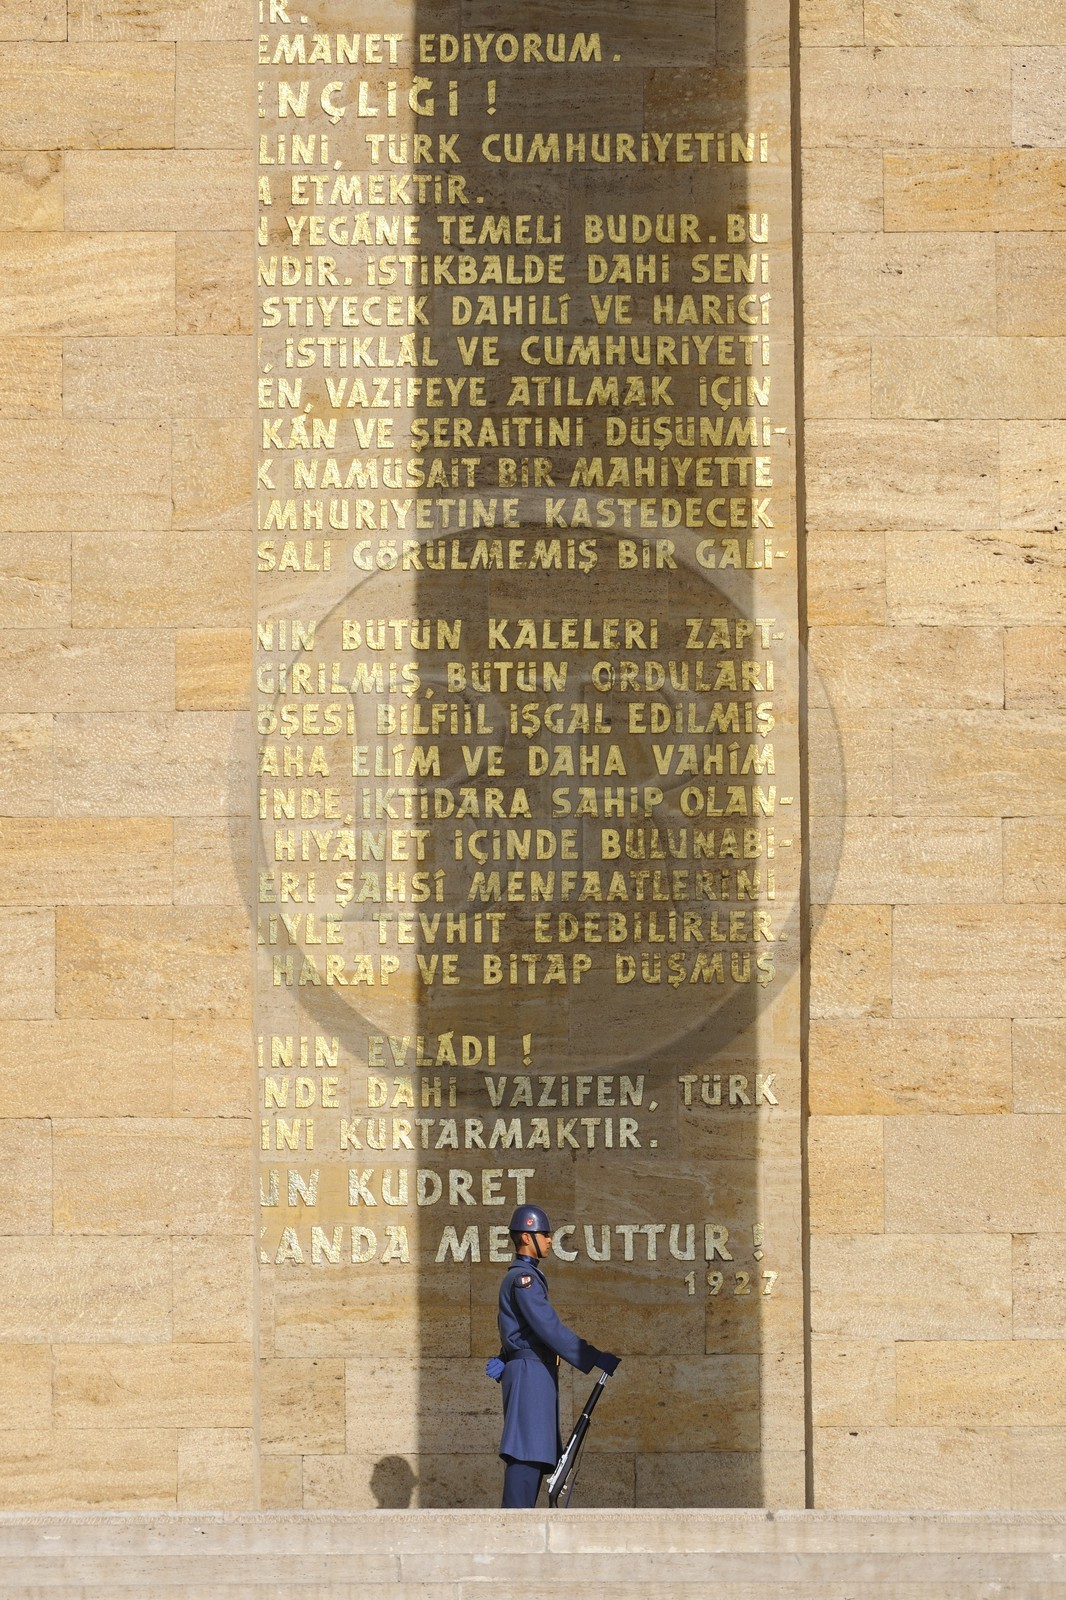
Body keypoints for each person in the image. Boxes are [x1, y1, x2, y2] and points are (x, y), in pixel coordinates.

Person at [487, 1203, 619, 1508]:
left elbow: (524, 1330)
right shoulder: (524, 1279)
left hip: (534, 1372)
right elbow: (547, 1327)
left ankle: (521, 1526)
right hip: (530, 1374)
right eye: (543, 1234)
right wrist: (591, 1356)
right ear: (525, 1238)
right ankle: (513, 1529)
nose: (549, 1240)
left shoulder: (526, 1277)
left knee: (536, 1450)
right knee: (527, 1450)